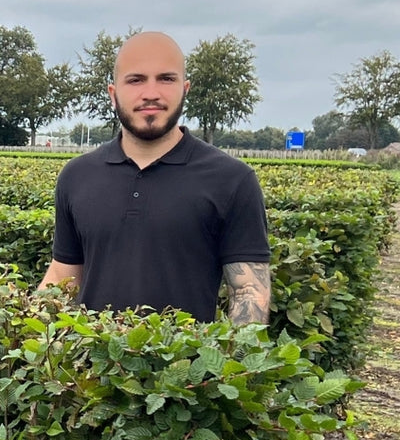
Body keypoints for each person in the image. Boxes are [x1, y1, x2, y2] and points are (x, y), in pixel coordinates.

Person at [38, 31, 271, 325]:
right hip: (91, 369)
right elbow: (63, 277)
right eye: (136, 80)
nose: (151, 93)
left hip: (188, 368)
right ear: (113, 94)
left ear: (184, 89)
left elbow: (249, 293)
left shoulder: (232, 180)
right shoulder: (77, 176)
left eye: (166, 78)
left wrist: (234, 364)